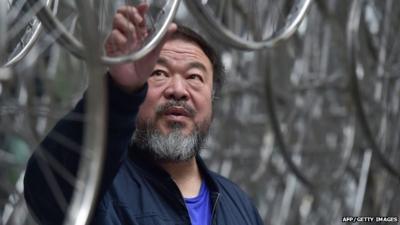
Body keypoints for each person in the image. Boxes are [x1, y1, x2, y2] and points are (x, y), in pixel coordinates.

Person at [24, 3, 264, 225]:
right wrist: (119, 91)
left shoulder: (239, 205)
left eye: (194, 77)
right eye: (159, 73)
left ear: (212, 101)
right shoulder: (103, 187)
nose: (178, 91)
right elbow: (47, 189)